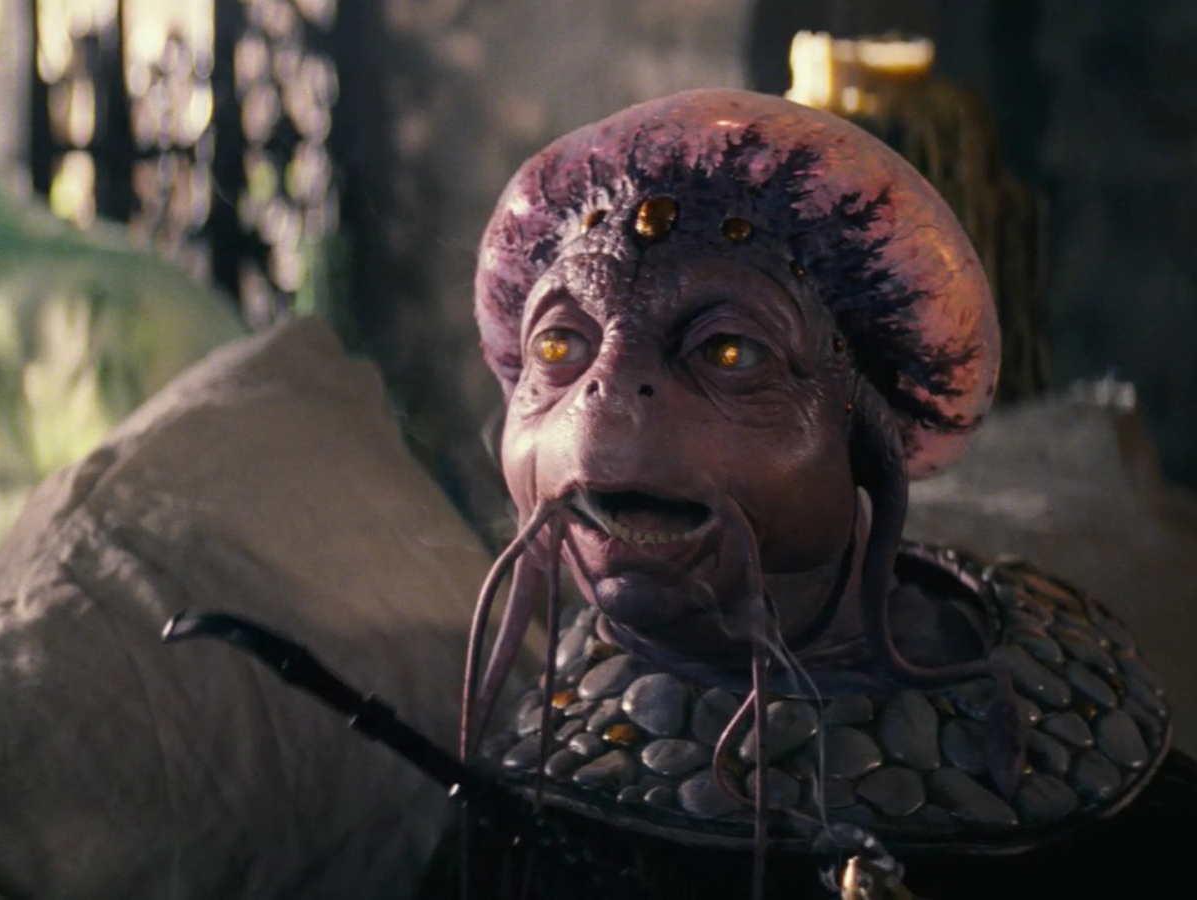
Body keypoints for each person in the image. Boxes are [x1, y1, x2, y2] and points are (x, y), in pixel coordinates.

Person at [436, 88, 1192, 899]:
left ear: (863, 431)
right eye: (560, 344)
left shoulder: (1088, 795)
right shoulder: (542, 784)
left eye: (728, 351)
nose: (609, 394)